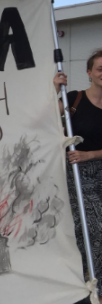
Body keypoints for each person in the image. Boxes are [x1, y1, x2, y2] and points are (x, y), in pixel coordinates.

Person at [54, 49, 102, 302]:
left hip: (94, 163)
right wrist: (54, 90)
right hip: (79, 174)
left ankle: (87, 277)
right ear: (89, 73)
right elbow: (43, 118)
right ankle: (95, 285)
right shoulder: (74, 99)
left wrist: (91, 154)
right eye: (100, 69)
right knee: (94, 229)